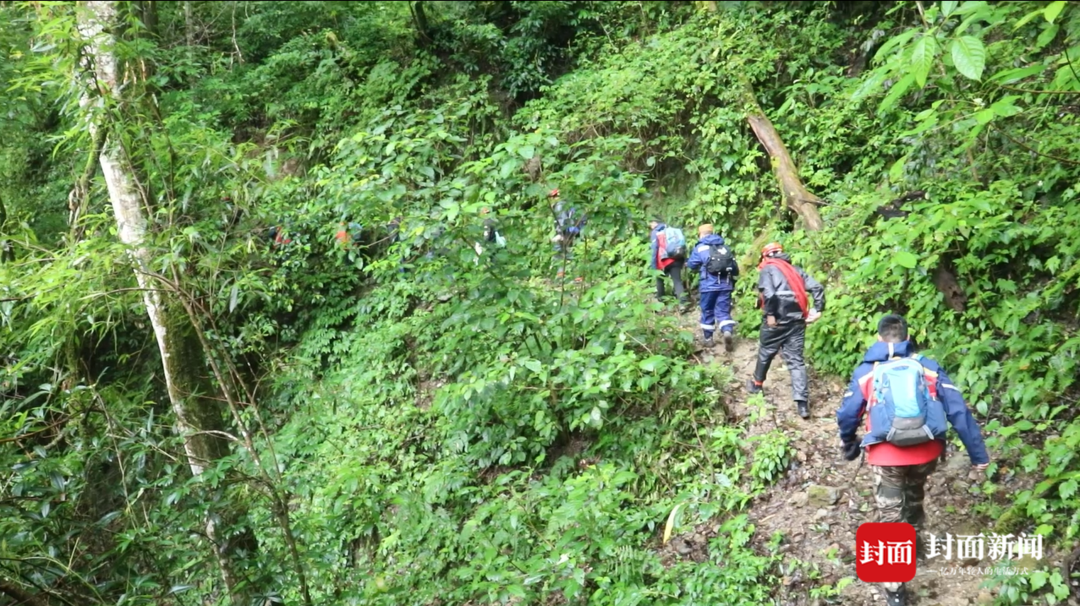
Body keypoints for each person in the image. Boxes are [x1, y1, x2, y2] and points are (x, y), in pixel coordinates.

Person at [836, 314, 990, 606]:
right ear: (908, 338)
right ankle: (916, 546)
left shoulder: (867, 371)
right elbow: (958, 411)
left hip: (886, 454)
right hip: (926, 450)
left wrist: (849, 442)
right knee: (915, 492)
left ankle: (895, 588)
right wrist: (978, 455)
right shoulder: (928, 367)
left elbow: (847, 414)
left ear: (880, 339)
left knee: (890, 515)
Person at [745, 242, 824, 419]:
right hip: (797, 320)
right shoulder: (795, 269)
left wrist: (771, 314)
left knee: (766, 351)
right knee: (796, 360)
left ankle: (757, 385)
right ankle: (802, 405)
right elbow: (817, 287)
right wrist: (818, 310)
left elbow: (770, 294)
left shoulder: (768, 270)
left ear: (765, 256)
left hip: (777, 321)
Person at [686, 224, 738, 350]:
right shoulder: (724, 247)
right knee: (723, 310)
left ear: (701, 234)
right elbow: (735, 268)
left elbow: (692, 265)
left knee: (707, 310)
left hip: (708, 285)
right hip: (725, 285)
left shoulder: (700, 248)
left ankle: (708, 339)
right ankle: (727, 331)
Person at [648, 217, 689, 310]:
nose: (650, 226)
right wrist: (684, 259)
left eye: (651, 223)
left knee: (660, 280)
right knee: (677, 281)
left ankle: (661, 302)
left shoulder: (656, 232)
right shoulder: (672, 230)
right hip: (677, 258)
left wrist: (654, 265)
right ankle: (683, 304)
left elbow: (655, 249)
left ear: (655, 223)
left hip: (663, 261)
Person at [550, 188, 585, 280]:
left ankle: (561, 274)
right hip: (575, 231)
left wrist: (560, 234)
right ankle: (577, 275)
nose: (553, 199)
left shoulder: (560, 205)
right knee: (572, 252)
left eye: (554, 196)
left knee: (558, 251)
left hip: (566, 232)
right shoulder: (572, 204)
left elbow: (562, 220)